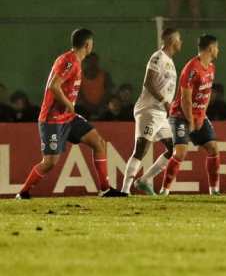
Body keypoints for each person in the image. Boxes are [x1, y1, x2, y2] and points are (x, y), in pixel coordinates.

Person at [14, 28, 127, 199]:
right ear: (87, 45)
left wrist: (69, 106)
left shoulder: (73, 60)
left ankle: (105, 189)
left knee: (98, 142)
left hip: (68, 118)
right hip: (52, 119)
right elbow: (54, 85)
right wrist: (69, 104)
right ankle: (23, 192)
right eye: (92, 44)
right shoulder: (69, 61)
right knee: (50, 163)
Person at [122, 28, 182, 195]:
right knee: (141, 149)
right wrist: (164, 102)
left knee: (174, 148)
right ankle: (125, 190)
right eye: (179, 39)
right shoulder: (158, 57)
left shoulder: (170, 61)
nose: (181, 42)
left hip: (161, 113)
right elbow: (148, 83)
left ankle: (144, 180)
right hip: (149, 110)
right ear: (172, 41)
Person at [159, 34, 221, 195]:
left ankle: (214, 190)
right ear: (211, 48)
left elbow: (206, 95)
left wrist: (201, 116)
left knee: (213, 148)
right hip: (180, 115)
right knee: (180, 152)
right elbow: (185, 98)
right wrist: (191, 120)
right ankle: (164, 190)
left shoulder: (211, 68)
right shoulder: (192, 68)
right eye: (217, 47)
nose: (218, 50)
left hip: (198, 115)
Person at [78, 52, 112, 118]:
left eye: (94, 61)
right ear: (85, 62)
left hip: (101, 108)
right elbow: (78, 94)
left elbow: (108, 92)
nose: (92, 63)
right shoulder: (79, 76)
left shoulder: (104, 75)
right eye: (90, 61)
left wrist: (99, 106)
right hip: (84, 108)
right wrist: (88, 106)